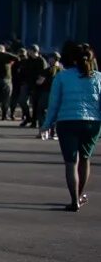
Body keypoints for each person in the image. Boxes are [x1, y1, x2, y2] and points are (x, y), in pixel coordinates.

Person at [41, 41, 101, 212]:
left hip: (67, 122)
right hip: (92, 122)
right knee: (85, 159)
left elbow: (54, 103)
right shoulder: (98, 77)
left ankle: (74, 200)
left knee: (70, 162)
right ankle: (80, 195)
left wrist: (47, 124)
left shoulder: (62, 77)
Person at [0, 42, 21, 121]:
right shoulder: (6, 56)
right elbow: (17, 58)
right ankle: (4, 115)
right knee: (6, 98)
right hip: (6, 79)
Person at [34, 51, 62, 139]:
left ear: (53, 59)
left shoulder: (47, 70)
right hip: (59, 94)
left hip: (46, 93)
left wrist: (36, 81)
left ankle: (43, 131)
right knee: (55, 113)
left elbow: (40, 82)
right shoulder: (63, 71)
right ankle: (54, 133)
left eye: (50, 58)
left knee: (41, 111)